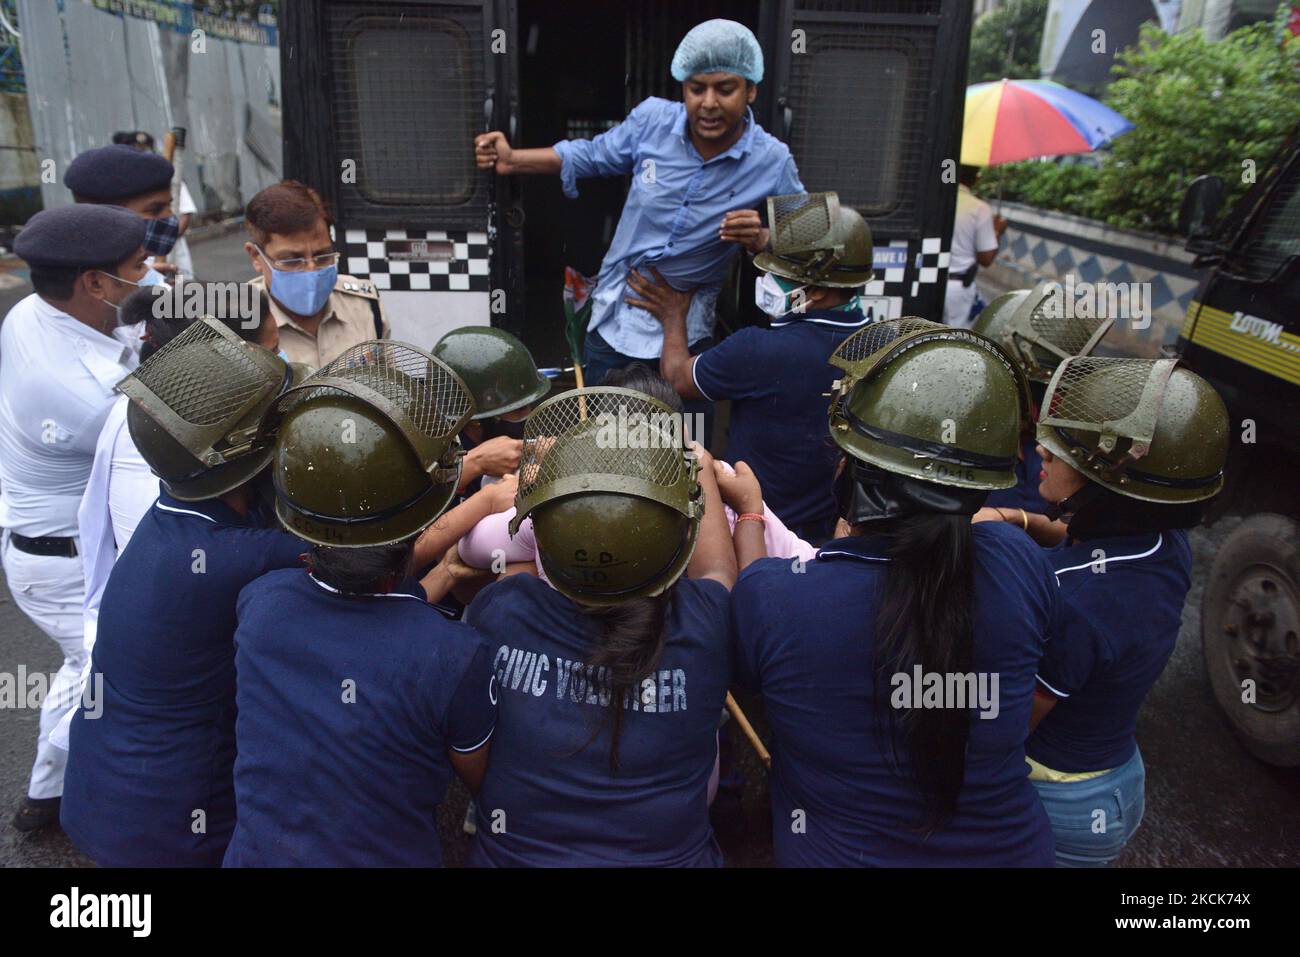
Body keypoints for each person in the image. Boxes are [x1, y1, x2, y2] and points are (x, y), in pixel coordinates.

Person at [730, 318, 1062, 866]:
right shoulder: (1018, 562)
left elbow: (747, 650)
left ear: (852, 476)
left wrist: (747, 513)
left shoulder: (778, 597)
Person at [224, 342, 496, 866]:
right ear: (425, 520)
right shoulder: (456, 653)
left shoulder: (260, 604)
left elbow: (373, 643)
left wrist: (442, 572)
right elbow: (483, 778)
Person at [58, 319, 309, 866]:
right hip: (169, 822)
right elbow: (364, 553)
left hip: (104, 794)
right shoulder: (230, 557)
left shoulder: (171, 518)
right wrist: (478, 497)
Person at [464, 386, 738, 866]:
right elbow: (718, 572)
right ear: (677, 540)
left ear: (542, 537)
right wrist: (689, 454)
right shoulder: (709, 624)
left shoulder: (501, 608)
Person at [474, 18, 803, 390]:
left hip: (687, 330)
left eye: (725, 89)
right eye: (697, 89)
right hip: (617, 319)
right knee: (605, 437)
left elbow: (809, 243)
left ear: (751, 92)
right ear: (684, 88)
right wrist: (512, 159)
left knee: (683, 440)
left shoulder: (772, 161)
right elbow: (592, 155)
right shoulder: (652, 120)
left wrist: (761, 237)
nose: (708, 103)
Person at [1004, 356, 1228, 866]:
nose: (1041, 450)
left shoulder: (1073, 604)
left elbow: (1010, 725)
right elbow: (1091, 546)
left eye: (1066, 452)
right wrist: (1020, 518)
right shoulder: (1164, 544)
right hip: (1113, 775)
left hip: (1058, 798)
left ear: (1109, 487)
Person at [47, 287, 285, 753]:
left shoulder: (176, 420)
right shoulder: (171, 456)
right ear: (222, 374)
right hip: (180, 714)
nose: (284, 367)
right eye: (272, 355)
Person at [1, 204, 150, 831]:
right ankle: (78, 802)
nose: (148, 277)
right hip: (62, 561)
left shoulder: (37, 310)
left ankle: (47, 793)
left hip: (53, 545)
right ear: (94, 283)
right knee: (106, 671)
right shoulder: (75, 392)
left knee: (84, 667)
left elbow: (150, 300)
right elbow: (173, 433)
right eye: (136, 269)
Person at [642, 191, 875, 543]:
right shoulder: (878, 344)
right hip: (828, 530)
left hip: (758, 528)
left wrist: (673, 317)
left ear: (816, 293)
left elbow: (676, 377)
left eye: (780, 276)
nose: (766, 280)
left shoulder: (757, 349)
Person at [971, 282, 1113, 525]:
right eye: (1046, 391)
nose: (1060, 400)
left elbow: (1076, 527)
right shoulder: (961, 440)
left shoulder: (1057, 442)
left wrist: (1016, 519)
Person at [244, 180, 391, 367]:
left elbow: (389, 385)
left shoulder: (365, 304)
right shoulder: (242, 322)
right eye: (292, 260)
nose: (311, 271)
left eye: (322, 256)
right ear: (256, 256)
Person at [64, 144, 179, 287]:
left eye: (169, 205)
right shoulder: (68, 297)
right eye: (155, 209)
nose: (170, 216)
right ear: (106, 218)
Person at [111, 130, 199, 277]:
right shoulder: (120, 187)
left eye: (144, 149)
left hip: (175, 254)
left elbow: (185, 213)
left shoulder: (167, 179)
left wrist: (167, 236)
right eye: (155, 209)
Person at [944, 165, 1006, 328]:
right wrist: (997, 231)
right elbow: (985, 258)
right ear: (976, 178)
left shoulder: (935, 199)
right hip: (958, 292)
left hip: (928, 283)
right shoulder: (979, 208)